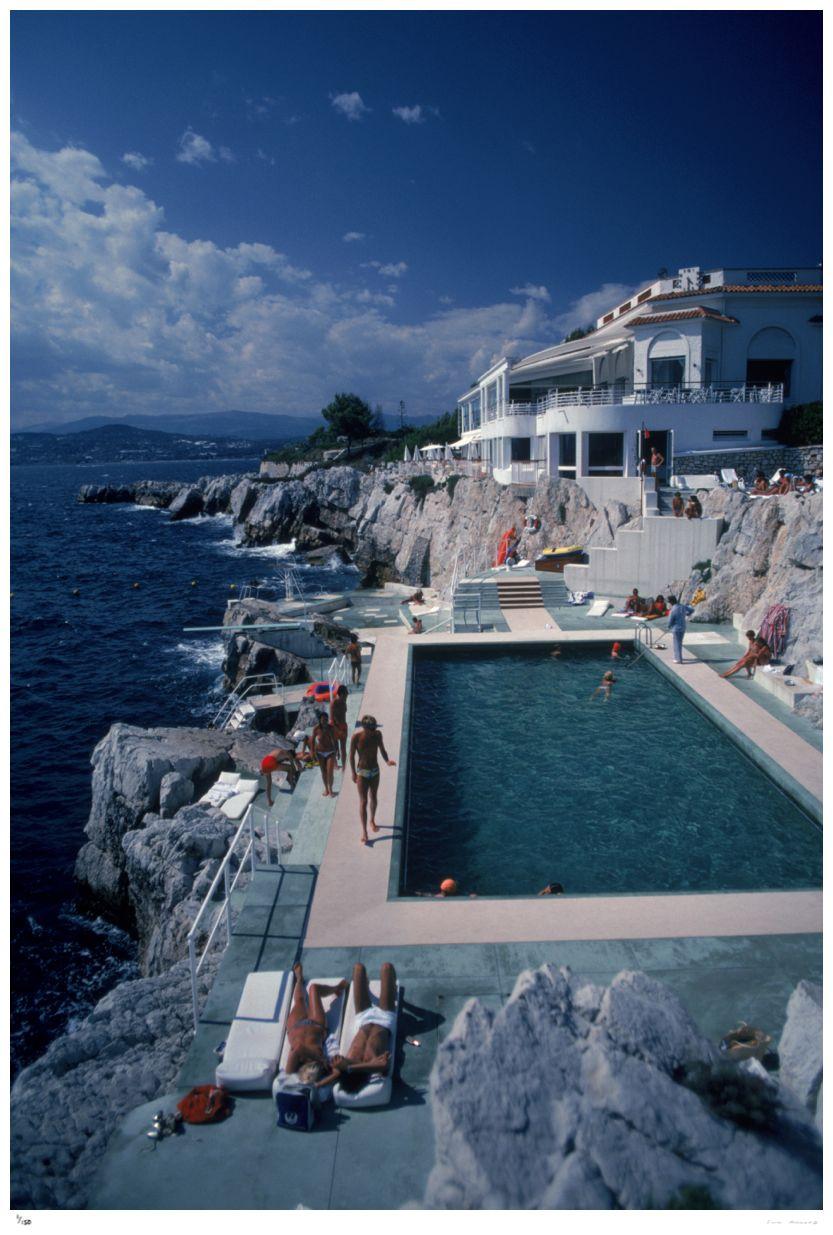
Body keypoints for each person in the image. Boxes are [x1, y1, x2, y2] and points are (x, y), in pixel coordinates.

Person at [333, 963, 398, 1096]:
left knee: (358, 967)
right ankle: (393, 987)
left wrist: (348, 1067)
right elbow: (384, 1065)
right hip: (384, 1018)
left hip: (363, 1018)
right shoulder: (376, 1066)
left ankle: (368, 984)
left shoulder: (345, 1062)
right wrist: (351, 1068)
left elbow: (335, 1064)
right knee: (386, 967)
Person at [283, 963, 350, 1090]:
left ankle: (299, 979)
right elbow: (337, 1073)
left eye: (307, 1076)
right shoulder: (326, 1065)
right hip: (316, 1024)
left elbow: (298, 1048)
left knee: (299, 1000)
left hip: (295, 1027)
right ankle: (336, 988)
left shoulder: (292, 1070)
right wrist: (319, 1083)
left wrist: (320, 1059)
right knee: (314, 988)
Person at [350, 715, 396, 844]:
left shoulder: (377, 735)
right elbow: (351, 756)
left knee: (374, 797)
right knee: (363, 801)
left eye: (375, 727)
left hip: (375, 771)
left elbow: (382, 749)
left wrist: (387, 761)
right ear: (365, 727)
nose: (374, 729)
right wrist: (353, 772)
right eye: (372, 727)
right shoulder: (356, 738)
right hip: (362, 773)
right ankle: (364, 831)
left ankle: (372, 820)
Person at [311, 711, 338, 798]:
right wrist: (312, 753)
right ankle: (326, 788)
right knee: (324, 772)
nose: (325, 721)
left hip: (330, 752)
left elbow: (335, 740)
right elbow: (312, 741)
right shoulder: (316, 729)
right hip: (319, 753)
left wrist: (338, 751)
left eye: (326, 719)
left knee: (330, 772)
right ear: (320, 720)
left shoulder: (331, 728)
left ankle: (330, 789)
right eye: (323, 720)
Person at [666, 594, 694, 664]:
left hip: (676, 629)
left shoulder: (673, 610)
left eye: (669, 602)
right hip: (683, 627)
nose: (669, 603)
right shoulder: (682, 606)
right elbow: (692, 610)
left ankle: (678, 659)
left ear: (671, 602)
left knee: (677, 643)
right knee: (679, 643)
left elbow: (670, 621)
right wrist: (687, 613)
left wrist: (668, 626)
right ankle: (678, 657)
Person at [329, 683, 349, 768]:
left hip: (343, 726)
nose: (346, 697)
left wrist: (343, 729)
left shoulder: (344, 702)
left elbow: (343, 715)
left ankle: (344, 766)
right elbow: (332, 719)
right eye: (345, 695)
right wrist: (338, 730)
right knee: (335, 748)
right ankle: (335, 765)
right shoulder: (334, 703)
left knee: (343, 748)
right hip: (334, 727)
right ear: (340, 694)